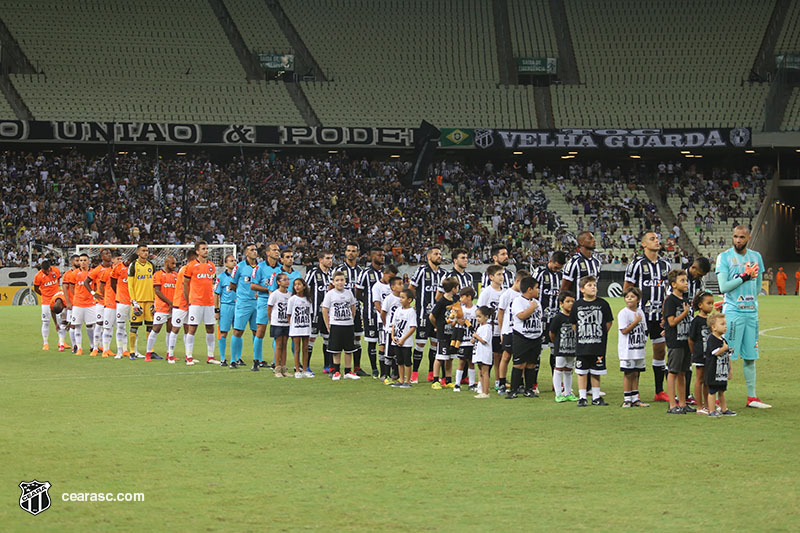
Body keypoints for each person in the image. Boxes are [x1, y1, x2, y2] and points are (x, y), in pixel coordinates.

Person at [716, 225, 770, 408]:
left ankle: (752, 397)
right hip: (733, 312)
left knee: (750, 356)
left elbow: (757, 287)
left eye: (741, 237)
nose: (738, 240)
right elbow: (723, 287)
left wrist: (753, 302)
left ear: (748, 238)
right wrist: (744, 278)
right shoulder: (724, 257)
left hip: (751, 313)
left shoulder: (756, 257)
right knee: (726, 355)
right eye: (735, 237)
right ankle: (717, 397)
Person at [623, 232, 671, 402]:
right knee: (637, 352)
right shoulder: (636, 264)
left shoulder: (666, 264)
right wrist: (632, 312)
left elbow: (669, 290)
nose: (657, 241)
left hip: (660, 317)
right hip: (641, 317)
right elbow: (627, 289)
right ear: (643, 244)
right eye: (652, 239)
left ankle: (659, 391)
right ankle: (634, 393)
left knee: (660, 352)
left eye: (658, 238)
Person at [570, 275, 613, 407]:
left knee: (596, 371)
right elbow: (574, 324)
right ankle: (582, 397)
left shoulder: (602, 304)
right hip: (582, 345)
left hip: (598, 344)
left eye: (594, 285)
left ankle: (596, 396)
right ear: (582, 289)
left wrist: (599, 333)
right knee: (582, 371)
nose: (593, 287)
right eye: (589, 285)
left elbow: (608, 322)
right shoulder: (577, 305)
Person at [408, 247, 444, 383]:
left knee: (435, 345)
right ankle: (415, 373)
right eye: (436, 254)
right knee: (420, 344)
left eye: (440, 254)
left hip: (438, 316)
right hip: (423, 315)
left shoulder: (444, 273)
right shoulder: (422, 271)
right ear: (429, 257)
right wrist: (415, 303)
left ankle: (431, 373)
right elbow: (411, 288)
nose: (439, 256)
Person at [183, 241, 219, 366]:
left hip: (208, 302)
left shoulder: (211, 266)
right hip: (196, 302)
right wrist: (189, 300)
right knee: (192, 328)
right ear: (197, 251)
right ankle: (189, 356)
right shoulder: (191, 266)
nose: (206, 251)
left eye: (207, 248)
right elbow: (185, 284)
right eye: (203, 248)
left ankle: (210, 356)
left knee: (210, 328)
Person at [506, 277, 543, 399]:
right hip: (522, 337)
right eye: (536, 288)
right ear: (529, 289)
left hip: (535, 337)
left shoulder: (537, 302)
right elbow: (521, 316)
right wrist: (532, 308)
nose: (538, 290)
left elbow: (540, 318)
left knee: (531, 364)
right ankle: (513, 390)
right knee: (519, 364)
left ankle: (529, 389)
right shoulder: (518, 301)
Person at [663, 270, 694, 414]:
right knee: (673, 372)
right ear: (674, 284)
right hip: (675, 341)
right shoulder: (670, 301)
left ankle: (683, 403)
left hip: (685, 341)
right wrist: (684, 314)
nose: (686, 283)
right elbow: (671, 322)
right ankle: (672, 405)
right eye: (682, 281)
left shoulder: (685, 299)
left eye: (686, 280)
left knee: (683, 372)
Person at [533, 251, 566, 385]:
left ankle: (556, 383)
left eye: (560, 268)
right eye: (556, 267)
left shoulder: (562, 276)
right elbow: (529, 290)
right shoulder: (539, 273)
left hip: (556, 319)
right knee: (537, 351)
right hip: (540, 320)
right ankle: (533, 382)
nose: (557, 270)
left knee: (556, 351)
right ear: (550, 261)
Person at [250, 244, 282, 371]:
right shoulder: (260, 268)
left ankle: (276, 362)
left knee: (277, 331)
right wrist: (268, 290)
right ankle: (256, 360)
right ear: (268, 253)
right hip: (264, 301)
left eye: (278, 250)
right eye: (274, 250)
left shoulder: (281, 268)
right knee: (260, 330)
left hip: (279, 303)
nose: (277, 252)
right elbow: (253, 285)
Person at [321, 270, 358, 380]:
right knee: (335, 350)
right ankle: (336, 371)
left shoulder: (349, 293)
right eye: (337, 280)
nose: (340, 282)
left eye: (342, 280)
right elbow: (324, 310)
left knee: (349, 349)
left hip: (348, 324)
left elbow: (353, 307)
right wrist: (328, 325)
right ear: (333, 282)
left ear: (345, 281)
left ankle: (348, 371)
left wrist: (351, 318)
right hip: (336, 324)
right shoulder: (330, 294)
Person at [495, 270, 527, 394]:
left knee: (521, 357)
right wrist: (502, 331)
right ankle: (502, 382)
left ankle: (519, 383)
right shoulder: (507, 294)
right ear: (517, 281)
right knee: (506, 356)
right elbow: (500, 313)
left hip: (521, 331)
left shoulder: (523, 295)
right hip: (509, 330)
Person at [617, 287, 649, 408]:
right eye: (627, 297)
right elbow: (624, 330)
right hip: (627, 351)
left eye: (632, 297)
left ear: (638, 299)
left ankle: (636, 398)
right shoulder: (623, 313)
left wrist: (644, 341)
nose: (629, 299)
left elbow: (645, 329)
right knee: (628, 373)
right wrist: (635, 322)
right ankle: (627, 399)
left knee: (636, 373)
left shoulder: (640, 312)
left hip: (638, 349)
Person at [229, 243, 260, 368]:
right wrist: (243, 294)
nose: (254, 252)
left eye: (255, 250)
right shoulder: (239, 267)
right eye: (251, 250)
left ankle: (258, 360)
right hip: (244, 302)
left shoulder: (260, 267)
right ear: (246, 253)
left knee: (257, 331)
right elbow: (232, 284)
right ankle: (233, 360)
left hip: (258, 303)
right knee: (238, 331)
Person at [336, 242, 366, 375]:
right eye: (348, 250)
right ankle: (333, 367)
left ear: (358, 253)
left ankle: (357, 367)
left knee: (357, 338)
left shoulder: (362, 271)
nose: (350, 253)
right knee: (338, 338)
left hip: (357, 310)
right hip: (341, 310)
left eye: (353, 251)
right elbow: (331, 289)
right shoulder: (338, 270)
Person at [356, 247, 385, 377]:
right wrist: (369, 302)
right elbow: (358, 292)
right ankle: (374, 368)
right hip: (370, 314)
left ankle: (386, 368)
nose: (382, 257)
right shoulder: (365, 273)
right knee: (372, 340)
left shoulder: (386, 273)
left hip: (385, 314)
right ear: (373, 257)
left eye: (383, 255)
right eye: (379, 255)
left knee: (384, 342)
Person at [127, 244, 157, 361]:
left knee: (150, 327)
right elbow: (130, 285)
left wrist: (155, 300)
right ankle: (132, 351)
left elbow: (154, 284)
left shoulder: (151, 265)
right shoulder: (133, 265)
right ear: (138, 252)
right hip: (138, 301)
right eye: (143, 251)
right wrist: (134, 301)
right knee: (134, 327)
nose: (146, 253)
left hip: (149, 301)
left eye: (147, 251)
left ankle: (151, 351)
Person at [305, 250, 333, 373]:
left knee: (327, 339)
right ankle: (306, 365)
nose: (330, 261)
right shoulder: (313, 273)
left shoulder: (333, 274)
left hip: (329, 313)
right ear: (321, 260)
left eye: (331, 258)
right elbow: (305, 288)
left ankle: (327, 366)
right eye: (327, 258)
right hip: (315, 312)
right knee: (311, 339)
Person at [477, 264, 504, 387]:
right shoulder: (486, 292)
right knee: (485, 359)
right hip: (488, 330)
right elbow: (479, 309)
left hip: (500, 329)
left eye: (502, 274)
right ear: (491, 277)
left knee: (498, 356)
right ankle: (480, 383)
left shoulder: (505, 292)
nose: (501, 277)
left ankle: (498, 381)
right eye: (498, 274)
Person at [429, 277, 459, 389]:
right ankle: (435, 380)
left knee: (450, 357)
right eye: (457, 287)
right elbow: (432, 316)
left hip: (452, 333)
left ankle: (447, 379)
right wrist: (437, 326)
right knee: (440, 357)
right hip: (442, 334)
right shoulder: (441, 302)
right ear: (453, 288)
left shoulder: (455, 300)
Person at [705, 314, 737, 417]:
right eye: (722, 324)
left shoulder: (723, 340)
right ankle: (711, 410)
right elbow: (715, 352)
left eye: (725, 324)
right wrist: (724, 348)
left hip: (722, 371)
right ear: (713, 327)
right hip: (714, 371)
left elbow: (727, 356)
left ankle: (724, 409)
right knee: (712, 391)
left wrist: (730, 369)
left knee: (722, 391)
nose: (725, 326)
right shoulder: (712, 339)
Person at [371, 264, 399, 381]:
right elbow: (377, 305)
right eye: (391, 277)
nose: (392, 280)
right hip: (383, 322)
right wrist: (385, 320)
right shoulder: (377, 287)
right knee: (383, 346)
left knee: (396, 346)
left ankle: (395, 372)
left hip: (396, 323)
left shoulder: (395, 288)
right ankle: (383, 373)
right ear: (385, 274)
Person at [689, 291, 714, 414]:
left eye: (712, 304)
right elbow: (691, 339)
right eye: (708, 303)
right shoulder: (696, 321)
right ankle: (699, 406)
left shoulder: (711, 320)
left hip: (709, 355)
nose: (711, 306)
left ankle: (707, 404)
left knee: (707, 380)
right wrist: (694, 353)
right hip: (700, 354)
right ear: (700, 305)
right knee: (699, 379)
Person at [167, 250, 195, 364]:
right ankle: (170, 354)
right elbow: (185, 287)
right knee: (175, 328)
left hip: (189, 303)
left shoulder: (190, 269)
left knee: (188, 329)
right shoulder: (185, 270)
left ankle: (188, 355)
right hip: (181, 303)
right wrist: (189, 302)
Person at [549, 291, 577, 402]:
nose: (570, 304)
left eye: (572, 302)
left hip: (572, 348)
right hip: (560, 348)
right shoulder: (558, 318)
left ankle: (568, 392)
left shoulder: (575, 317)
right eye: (567, 301)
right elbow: (552, 332)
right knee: (558, 369)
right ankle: (558, 393)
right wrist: (556, 342)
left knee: (569, 370)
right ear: (561, 303)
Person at [149, 255, 177, 362]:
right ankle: (148, 353)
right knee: (156, 329)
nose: (174, 266)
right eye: (172, 263)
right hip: (162, 307)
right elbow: (157, 291)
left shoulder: (176, 275)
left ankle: (169, 354)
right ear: (166, 263)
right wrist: (169, 302)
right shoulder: (158, 274)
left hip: (173, 307)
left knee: (170, 330)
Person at [33, 259, 65, 351]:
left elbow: (58, 280)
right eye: (44, 271)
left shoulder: (56, 270)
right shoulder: (38, 276)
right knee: (46, 322)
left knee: (60, 321)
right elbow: (36, 288)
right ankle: (45, 343)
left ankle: (61, 342)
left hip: (56, 299)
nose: (46, 272)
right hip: (46, 301)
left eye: (47, 270)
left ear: (50, 268)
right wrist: (43, 295)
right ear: (41, 269)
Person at [560, 232, 601, 299]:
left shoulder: (597, 262)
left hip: (592, 306)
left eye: (593, 238)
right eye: (590, 238)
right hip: (578, 305)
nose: (594, 240)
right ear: (581, 242)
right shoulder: (574, 262)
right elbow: (565, 287)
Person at [87, 249, 113, 357]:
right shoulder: (97, 269)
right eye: (106, 254)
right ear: (102, 257)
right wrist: (93, 293)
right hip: (100, 301)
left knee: (109, 325)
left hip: (111, 301)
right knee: (99, 323)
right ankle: (95, 347)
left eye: (110, 253)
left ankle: (107, 348)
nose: (109, 255)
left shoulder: (114, 268)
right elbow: (86, 282)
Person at [390, 288, 417, 388]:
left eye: (403, 297)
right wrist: (393, 336)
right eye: (400, 297)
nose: (400, 299)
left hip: (406, 342)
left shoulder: (411, 312)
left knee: (407, 362)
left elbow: (412, 327)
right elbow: (393, 324)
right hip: (396, 340)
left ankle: (408, 381)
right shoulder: (397, 310)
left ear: (409, 300)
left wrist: (403, 339)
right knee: (399, 361)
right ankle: (401, 380)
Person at [380, 276, 404, 383]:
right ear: (393, 287)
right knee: (388, 354)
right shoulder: (389, 298)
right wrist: (386, 325)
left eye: (402, 283)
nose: (402, 286)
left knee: (398, 354)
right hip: (390, 331)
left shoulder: (403, 298)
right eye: (399, 284)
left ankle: (397, 375)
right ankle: (386, 375)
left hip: (400, 331)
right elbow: (383, 313)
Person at [213, 254, 237, 365]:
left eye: (235, 260)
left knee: (238, 332)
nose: (234, 262)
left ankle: (236, 358)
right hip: (226, 306)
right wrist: (216, 310)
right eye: (231, 261)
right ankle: (222, 358)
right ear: (226, 264)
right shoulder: (221, 277)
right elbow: (216, 294)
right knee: (223, 332)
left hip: (238, 307)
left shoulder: (239, 276)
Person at [71, 254, 96, 355]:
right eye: (81, 260)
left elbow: (96, 285)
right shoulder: (75, 273)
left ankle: (92, 345)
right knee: (77, 325)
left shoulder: (93, 272)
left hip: (90, 303)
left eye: (85, 260)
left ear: (89, 261)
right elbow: (72, 287)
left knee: (90, 325)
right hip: (78, 304)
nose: (83, 262)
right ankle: (79, 347)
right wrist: (77, 296)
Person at [288, 278, 313, 377]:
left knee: (305, 348)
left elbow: (310, 313)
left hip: (306, 327)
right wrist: (292, 325)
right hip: (296, 327)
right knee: (297, 349)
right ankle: (297, 370)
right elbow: (289, 314)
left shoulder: (308, 299)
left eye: (299, 284)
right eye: (295, 285)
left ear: (304, 286)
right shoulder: (292, 299)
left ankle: (305, 369)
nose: (297, 286)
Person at [267, 272, 291, 377]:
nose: (287, 281)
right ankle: (277, 368)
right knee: (278, 345)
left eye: (287, 279)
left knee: (285, 344)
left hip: (286, 323)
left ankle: (284, 367)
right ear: (278, 282)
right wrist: (271, 320)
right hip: (277, 322)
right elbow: (269, 308)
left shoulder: (290, 295)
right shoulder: (275, 294)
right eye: (284, 280)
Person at [98, 251, 121, 357]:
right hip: (110, 303)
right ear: (113, 260)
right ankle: (105, 350)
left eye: (121, 259)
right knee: (107, 327)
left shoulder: (124, 271)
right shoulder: (107, 272)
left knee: (121, 327)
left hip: (121, 303)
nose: (120, 261)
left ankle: (123, 349)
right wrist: (105, 297)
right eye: (118, 259)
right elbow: (101, 287)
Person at [453, 287, 477, 392]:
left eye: (462, 297)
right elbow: (453, 321)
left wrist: (475, 337)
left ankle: (471, 384)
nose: (461, 299)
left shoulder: (476, 309)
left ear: (469, 297)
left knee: (471, 362)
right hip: (462, 339)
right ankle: (457, 384)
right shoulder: (459, 309)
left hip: (471, 340)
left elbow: (478, 324)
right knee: (461, 361)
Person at [111, 253, 133, 359]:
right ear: (128, 260)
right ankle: (120, 351)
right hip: (122, 302)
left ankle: (134, 351)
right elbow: (112, 282)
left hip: (133, 303)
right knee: (120, 326)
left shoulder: (136, 269)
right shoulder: (118, 268)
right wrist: (119, 294)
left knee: (134, 327)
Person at [471, 306, 494, 399]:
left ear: (486, 317)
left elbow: (485, 340)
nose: (477, 319)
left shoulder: (487, 327)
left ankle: (486, 392)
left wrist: (476, 337)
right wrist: (474, 339)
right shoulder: (480, 327)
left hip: (485, 353)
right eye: (477, 317)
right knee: (481, 372)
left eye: (479, 316)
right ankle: (482, 390)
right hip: (479, 352)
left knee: (485, 372)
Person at [61, 254, 80, 349]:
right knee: (73, 325)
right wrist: (68, 302)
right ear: (72, 262)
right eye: (77, 260)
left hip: (85, 303)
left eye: (79, 260)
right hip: (73, 303)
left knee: (91, 325)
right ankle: (74, 346)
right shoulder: (67, 274)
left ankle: (95, 346)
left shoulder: (84, 272)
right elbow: (64, 288)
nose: (79, 262)